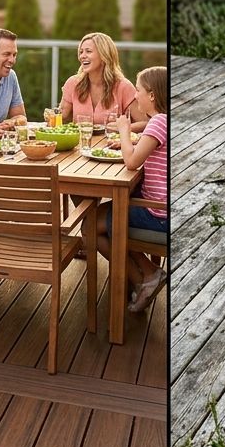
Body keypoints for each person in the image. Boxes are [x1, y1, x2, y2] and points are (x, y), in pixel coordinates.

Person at [95, 65, 167, 313]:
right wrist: (126, 143)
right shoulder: (163, 121)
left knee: (88, 227)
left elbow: (132, 162)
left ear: (152, 96)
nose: (135, 96)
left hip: (157, 215)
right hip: (158, 209)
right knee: (108, 215)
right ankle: (148, 274)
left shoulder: (159, 121)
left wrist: (124, 131)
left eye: (138, 90)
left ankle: (145, 278)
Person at [58, 32, 139, 128]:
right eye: (81, 52)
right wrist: (51, 115)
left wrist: (122, 128)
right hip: (80, 142)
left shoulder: (124, 86)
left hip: (110, 142)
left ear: (103, 55)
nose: (82, 56)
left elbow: (145, 123)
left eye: (88, 51)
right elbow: (61, 116)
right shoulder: (73, 83)